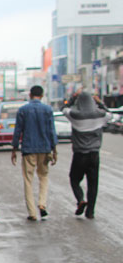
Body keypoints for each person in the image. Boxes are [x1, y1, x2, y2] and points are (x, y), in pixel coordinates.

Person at [10, 85, 58, 221]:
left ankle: (32, 212)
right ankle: (42, 204)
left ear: (30, 95)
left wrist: (14, 149)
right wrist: (54, 150)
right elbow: (52, 131)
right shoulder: (48, 110)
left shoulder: (23, 110)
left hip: (28, 149)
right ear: (42, 96)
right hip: (45, 148)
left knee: (28, 180)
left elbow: (17, 131)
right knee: (43, 177)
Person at [62, 92, 112, 219]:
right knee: (93, 184)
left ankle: (80, 200)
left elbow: (64, 109)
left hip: (79, 155)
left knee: (74, 179)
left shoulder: (75, 115)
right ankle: (90, 211)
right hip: (94, 155)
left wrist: (73, 98)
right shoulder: (99, 115)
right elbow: (110, 114)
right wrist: (100, 102)